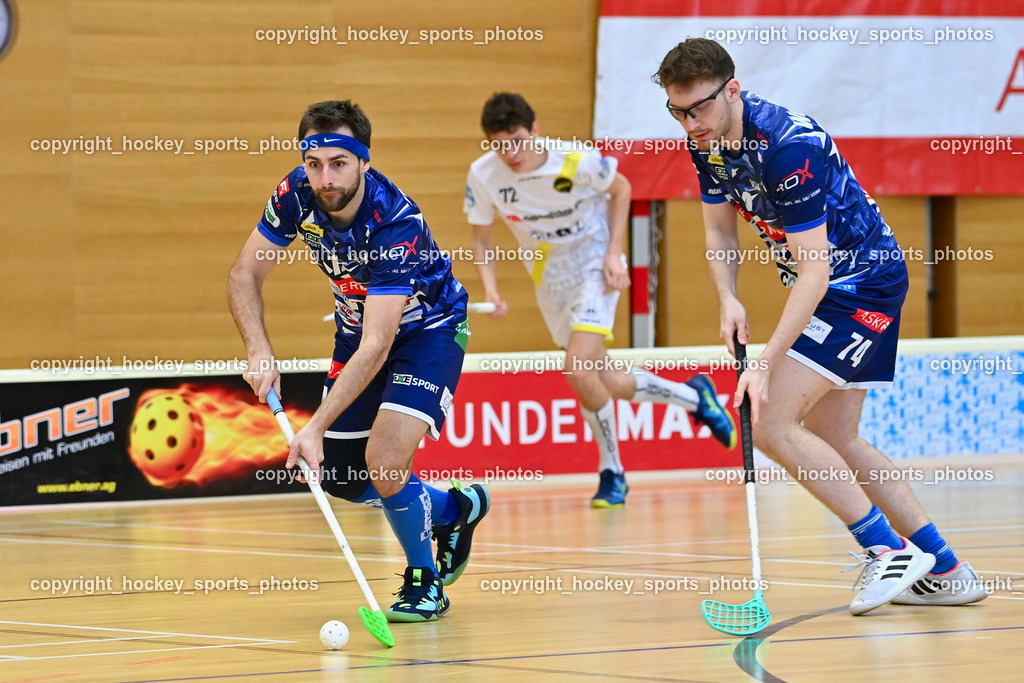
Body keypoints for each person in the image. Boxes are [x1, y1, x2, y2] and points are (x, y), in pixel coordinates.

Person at [654, 38, 987, 614]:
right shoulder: (706, 144)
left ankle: (885, 550)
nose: (689, 124)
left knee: (774, 419)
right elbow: (719, 234)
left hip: (860, 285)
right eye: (677, 112)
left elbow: (815, 269)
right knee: (838, 435)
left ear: (732, 90)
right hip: (831, 287)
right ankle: (948, 570)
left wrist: (763, 363)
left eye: (699, 108)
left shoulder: (788, 147)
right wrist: (727, 299)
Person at [228, 100, 489, 623]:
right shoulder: (294, 195)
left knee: (386, 458)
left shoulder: (395, 222)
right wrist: (260, 350)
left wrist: (315, 426)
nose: (325, 178)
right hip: (356, 330)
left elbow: (380, 343)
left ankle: (424, 582)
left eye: (339, 163)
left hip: (427, 332)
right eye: (315, 163)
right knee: (346, 478)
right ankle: (456, 510)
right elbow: (244, 275)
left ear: (364, 162)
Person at [464, 93, 736, 508]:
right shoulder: (484, 176)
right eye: (500, 144)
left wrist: (613, 254)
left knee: (577, 369)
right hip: (549, 277)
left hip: (594, 265)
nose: (511, 153)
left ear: (535, 130)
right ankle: (695, 397)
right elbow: (481, 237)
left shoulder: (574, 160)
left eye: (518, 140)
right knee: (603, 378)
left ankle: (613, 471)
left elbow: (621, 188)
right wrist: (491, 290)